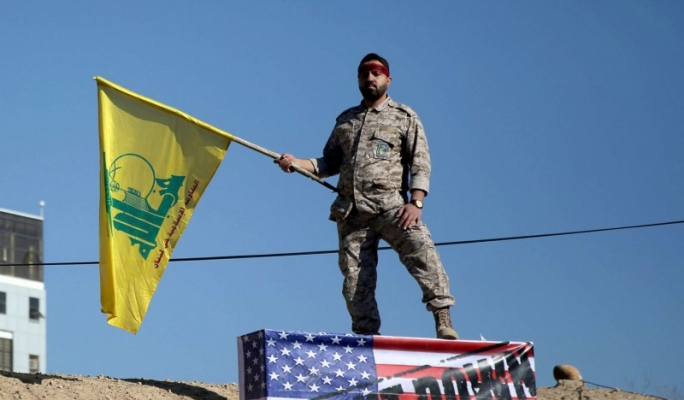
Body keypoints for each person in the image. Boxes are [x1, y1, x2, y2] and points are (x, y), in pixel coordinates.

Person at [275, 53, 458, 340]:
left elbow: (420, 162)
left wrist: (416, 201)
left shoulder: (404, 117)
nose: (370, 78)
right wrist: (297, 162)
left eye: (376, 73)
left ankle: (443, 319)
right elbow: (329, 162)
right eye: (364, 74)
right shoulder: (346, 120)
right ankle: (367, 337)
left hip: (392, 207)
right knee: (355, 281)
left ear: (388, 79)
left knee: (422, 252)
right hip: (352, 213)